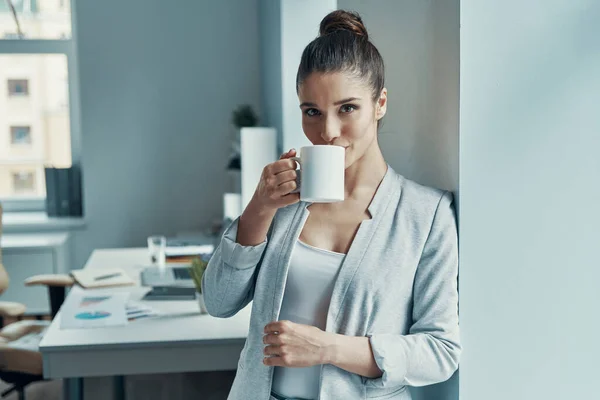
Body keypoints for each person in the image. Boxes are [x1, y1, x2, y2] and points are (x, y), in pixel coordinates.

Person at [202, 10, 460, 400]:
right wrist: (259, 206)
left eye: (347, 108)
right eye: (312, 112)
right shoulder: (282, 203)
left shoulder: (426, 214)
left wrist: (328, 348)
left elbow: (440, 352)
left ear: (380, 103)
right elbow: (219, 303)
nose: (327, 132)